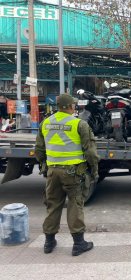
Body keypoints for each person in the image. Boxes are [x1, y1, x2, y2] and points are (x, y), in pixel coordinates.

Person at [35, 94, 100, 256]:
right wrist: (94, 170)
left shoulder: (45, 123)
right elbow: (90, 152)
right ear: (71, 106)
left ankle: (49, 243)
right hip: (73, 173)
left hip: (52, 171)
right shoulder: (79, 124)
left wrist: (44, 165)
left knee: (53, 205)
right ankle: (78, 244)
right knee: (75, 205)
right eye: (74, 105)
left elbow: (39, 150)